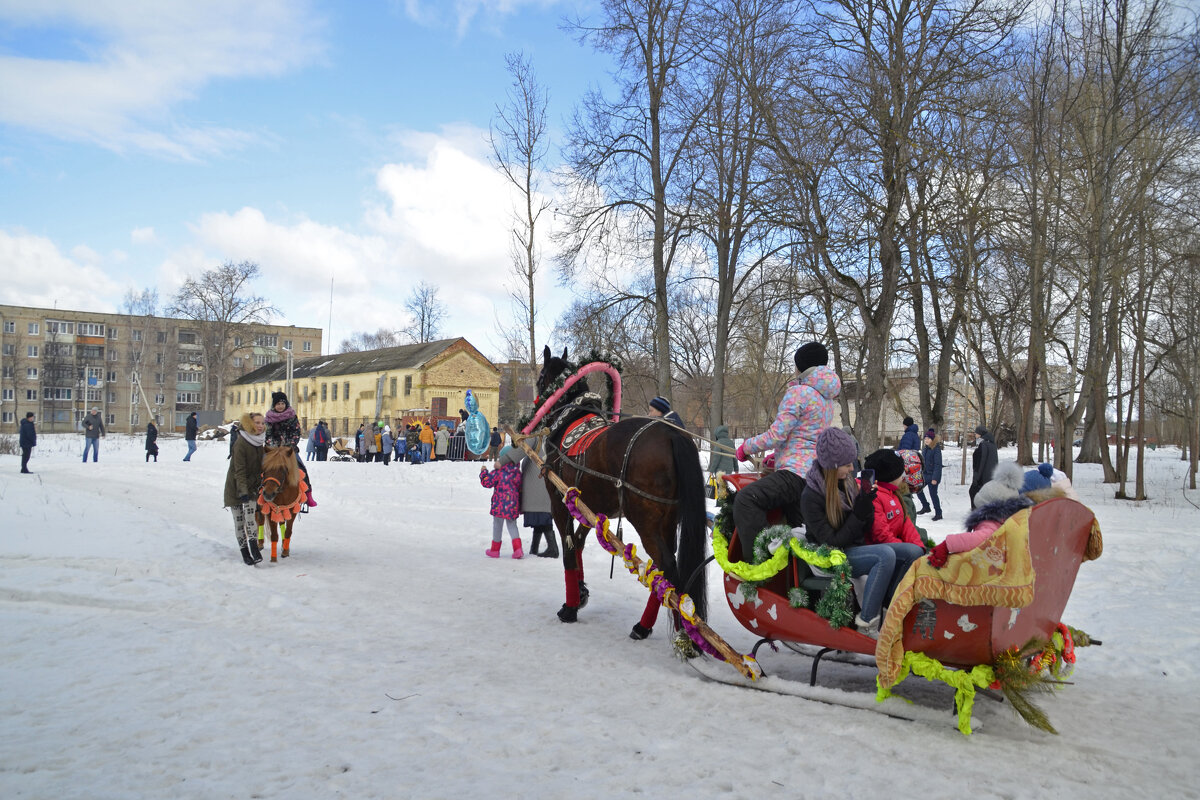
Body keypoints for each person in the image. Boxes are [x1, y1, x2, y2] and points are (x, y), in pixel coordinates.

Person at [801, 427, 909, 638]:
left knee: (911, 552)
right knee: (885, 555)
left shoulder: (846, 483)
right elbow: (832, 542)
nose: (852, 468)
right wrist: (859, 514)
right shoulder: (811, 496)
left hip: (853, 548)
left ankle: (889, 611)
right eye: (847, 464)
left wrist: (867, 506)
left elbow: (862, 529)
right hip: (829, 556)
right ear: (832, 466)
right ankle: (867, 623)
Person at [733, 341, 841, 545]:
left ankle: (761, 563)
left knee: (746, 500)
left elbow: (776, 435)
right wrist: (780, 454)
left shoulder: (798, 392)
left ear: (801, 367)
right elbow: (808, 435)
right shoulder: (826, 398)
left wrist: (746, 447)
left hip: (794, 474)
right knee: (797, 528)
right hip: (814, 476)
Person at [860, 448, 926, 578]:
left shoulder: (894, 494)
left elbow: (906, 525)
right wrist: (907, 550)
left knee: (917, 555)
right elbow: (880, 534)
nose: (904, 477)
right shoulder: (874, 497)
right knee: (910, 556)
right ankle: (893, 595)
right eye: (901, 473)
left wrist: (919, 548)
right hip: (879, 552)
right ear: (890, 476)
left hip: (894, 548)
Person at [223, 411, 265, 565]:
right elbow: (239, 470)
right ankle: (244, 552)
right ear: (249, 424)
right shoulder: (241, 443)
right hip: (236, 487)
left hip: (252, 486)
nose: (260, 426)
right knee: (240, 521)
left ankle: (254, 548)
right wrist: (243, 492)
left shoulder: (260, 442)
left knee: (250, 518)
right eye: (257, 423)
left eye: (262, 423)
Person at [264, 392, 317, 507]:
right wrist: (273, 447)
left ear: (286, 403)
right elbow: (268, 435)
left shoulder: (292, 416)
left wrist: (290, 445)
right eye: (278, 404)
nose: (280, 406)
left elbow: (296, 432)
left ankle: (308, 494)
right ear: (274, 405)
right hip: (273, 450)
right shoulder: (269, 418)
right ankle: (259, 491)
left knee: (301, 467)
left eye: (282, 403)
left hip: (289, 449)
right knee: (263, 466)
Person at [481, 445, 524, 559]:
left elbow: (487, 483)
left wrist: (484, 473)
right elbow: (520, 488)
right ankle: (518, 549)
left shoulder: (498, 472)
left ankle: (495, 550)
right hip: (512, 505)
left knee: (497, 526)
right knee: (512, 525)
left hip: (499, 505)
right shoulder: (518, 473)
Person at [518, 435, 558, 558]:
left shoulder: (539, 443)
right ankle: (534, 548)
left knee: (543, 518)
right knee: (538, 521)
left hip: (539, 491)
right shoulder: (537, 446)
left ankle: (553, 548)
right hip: (535, 492)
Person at [969, 425, 999, 507]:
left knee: (973, 492)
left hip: (983, 478)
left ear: (980, 434)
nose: (975, 435)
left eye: (976, 433)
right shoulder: (992, 444)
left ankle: (976, 514)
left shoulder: (983, 445)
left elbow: (980, 462)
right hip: (991, 477)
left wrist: (976, 478)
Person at [920, 429, 943, 519]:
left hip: (933, 475)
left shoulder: (936, 449)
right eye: (925, 438)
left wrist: (935, 478)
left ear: (932, 440)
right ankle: (926, 506)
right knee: (918, 489)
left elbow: (938, 465)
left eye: (929, 438)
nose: (926, 440)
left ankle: (938, 513)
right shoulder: (925, 449)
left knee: (933, 494)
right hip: (925, 475)